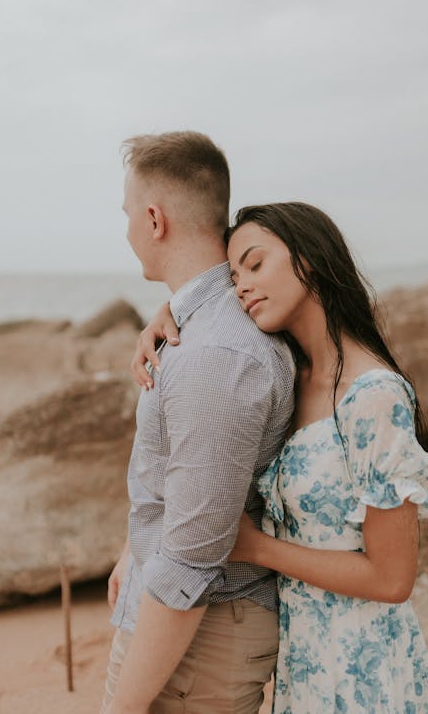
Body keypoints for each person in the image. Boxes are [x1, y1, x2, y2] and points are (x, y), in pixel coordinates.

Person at [133, 202, 428, 713]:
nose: (242, 287)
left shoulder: (374, 396)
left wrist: (256, 549)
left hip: (364, 670)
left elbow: (393, 579)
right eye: (233, 276)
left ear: (311, 260)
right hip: (302, 663)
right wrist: (165, 320)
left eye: (255, 265)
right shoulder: (287, 376)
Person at [102, 133, 296, 714]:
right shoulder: (204, 323)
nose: (129, 229)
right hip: (185, 627)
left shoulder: (216, 355)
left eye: (128, 214)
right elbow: (193, 485)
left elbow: (192, 564)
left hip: (198, 640)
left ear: (154, 220)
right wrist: (133, 549)